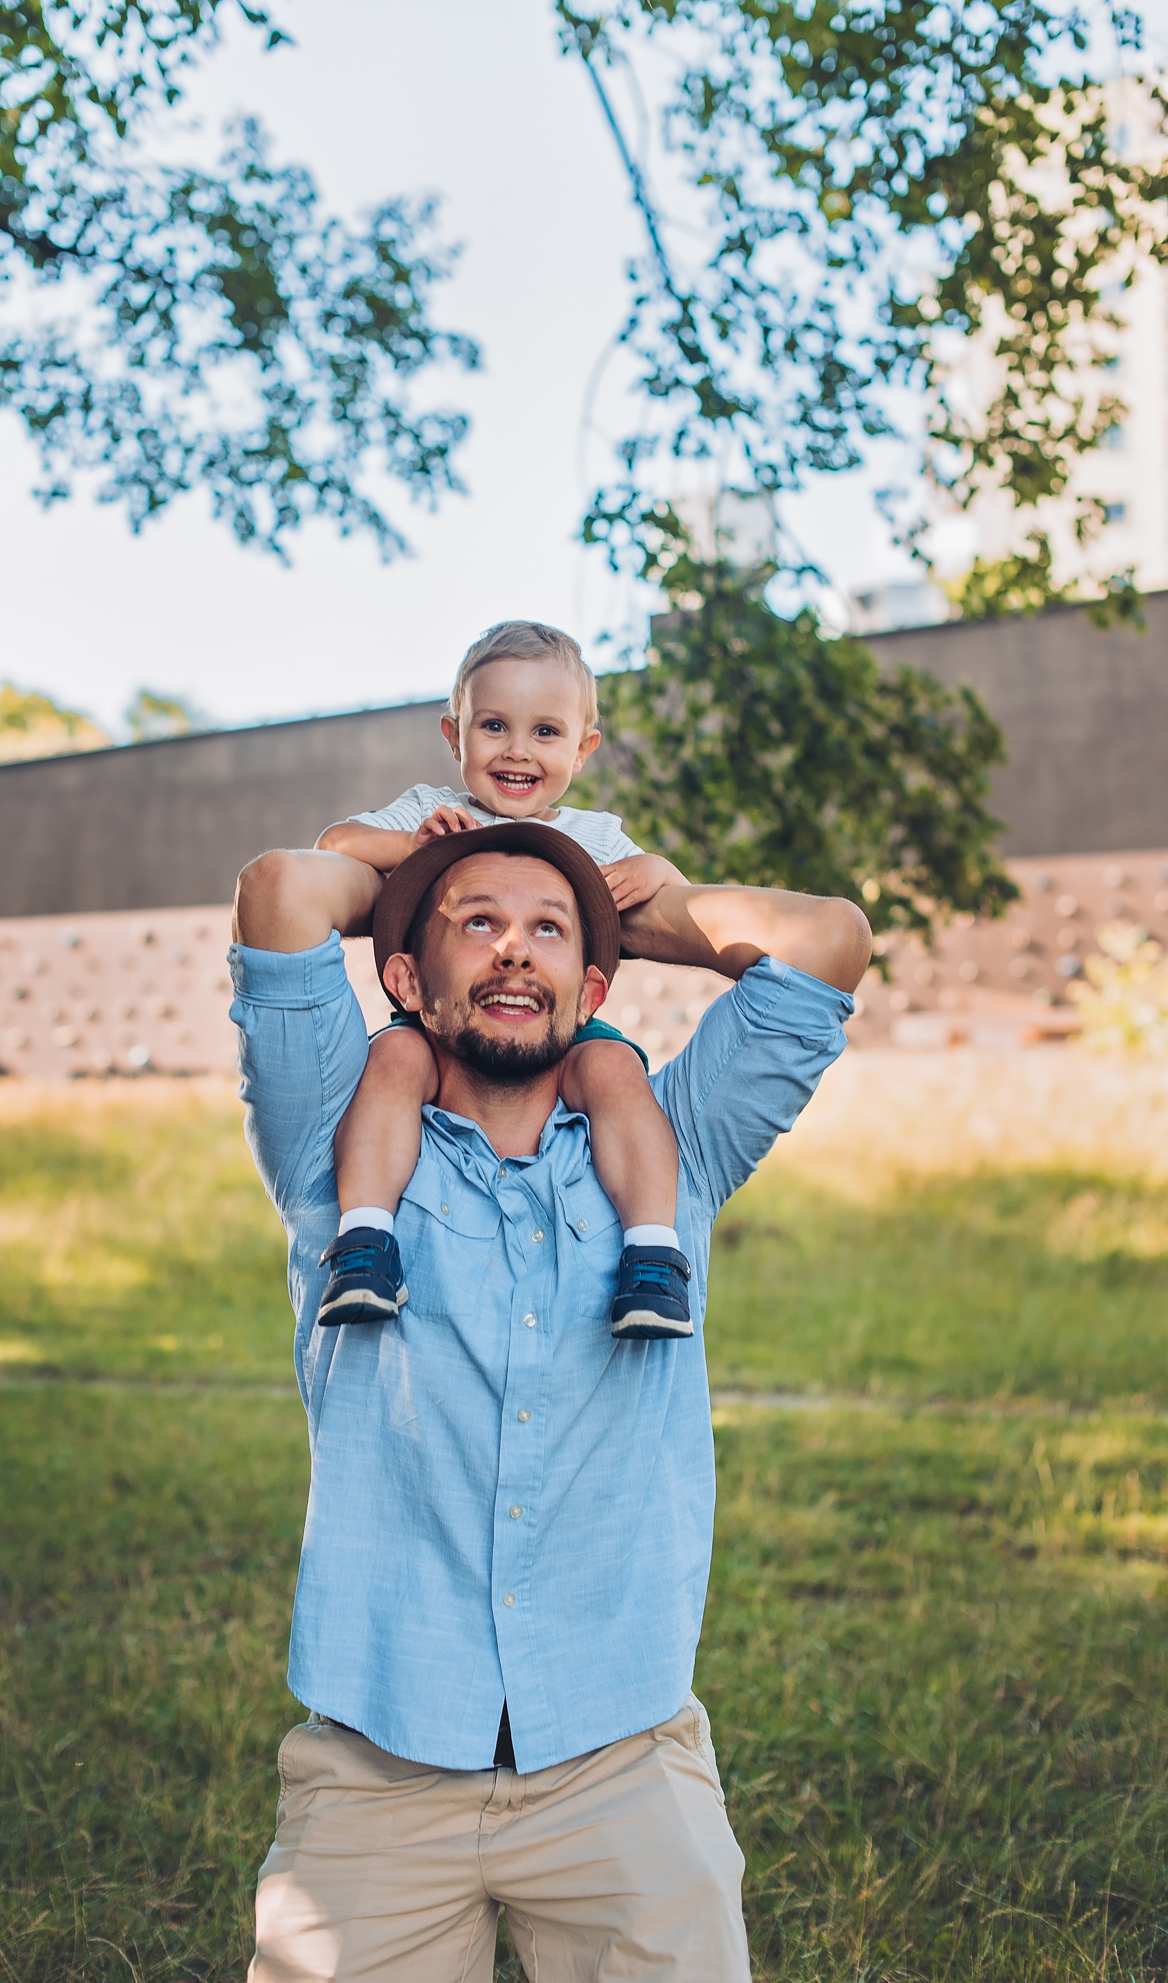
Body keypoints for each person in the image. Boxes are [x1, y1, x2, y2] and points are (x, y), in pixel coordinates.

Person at [229, 819, 870, 1982]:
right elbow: (278, 891)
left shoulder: (672, 1146)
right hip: (383, 1774)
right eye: (476, 926)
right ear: (409, 978)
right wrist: (413, 867)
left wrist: (634, 910)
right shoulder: (339, 1140)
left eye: (545, 934)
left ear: (592, 982)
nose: (512, 953)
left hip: (618, 1757)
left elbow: (827, 939)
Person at [313, 620, 694, 1339]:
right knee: (390, 1058)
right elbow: (333, 845)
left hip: (556, 1022)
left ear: (583, 749)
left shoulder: (595, 834)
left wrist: (656, 873)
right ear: (454, 736)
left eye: (545, 732)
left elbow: (664, 885)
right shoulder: (431, 809)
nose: (517, 750)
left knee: (614, 1067)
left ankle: (652, 1253)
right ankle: (364, 1240)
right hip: (443, 1017)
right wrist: (414, 844)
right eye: (493, 726)